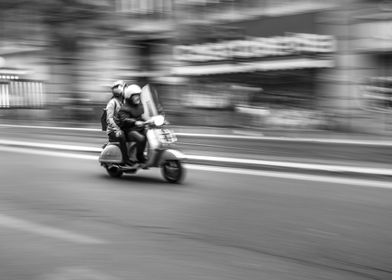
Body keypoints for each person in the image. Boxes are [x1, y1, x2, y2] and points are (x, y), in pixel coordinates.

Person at [116, 84, 147, 164]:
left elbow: (143, 116)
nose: (138, 97)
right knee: (141, 138)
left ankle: (141, 156)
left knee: (150, 134)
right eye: (135, 96)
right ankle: (131, 158)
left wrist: (155, 119)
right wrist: (135, 122)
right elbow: (124, 120)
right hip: (129, 131)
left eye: (138, 95)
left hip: (138, 129)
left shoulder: (139, 106)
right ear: (129, 97)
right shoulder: (124, 108)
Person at [106, 80, 133, 166]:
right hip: (113, 131)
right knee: (122, 136)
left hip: (122, 128)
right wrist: (117, 129)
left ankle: (135, 156)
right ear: (120, 89)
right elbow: (109, 119)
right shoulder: (112, 103)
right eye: (125, 89)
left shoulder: (123, 103)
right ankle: (125, 159)